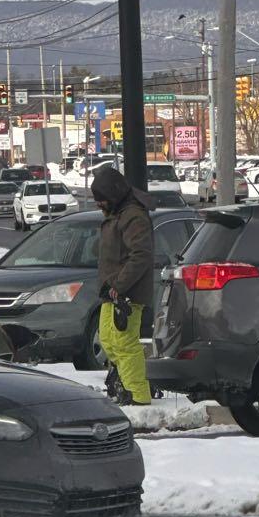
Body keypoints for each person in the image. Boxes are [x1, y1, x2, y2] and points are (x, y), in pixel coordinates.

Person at [90, 164, 154, 406]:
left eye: (101, 199)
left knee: (124, 342)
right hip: (111, 291)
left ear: (113, 194)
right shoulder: (117, 214)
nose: (99, 204)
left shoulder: (133, 216)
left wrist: (120, 284)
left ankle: (138, 394)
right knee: (108, 340)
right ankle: (124, 384)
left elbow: (140, 255)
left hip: (126, 293)